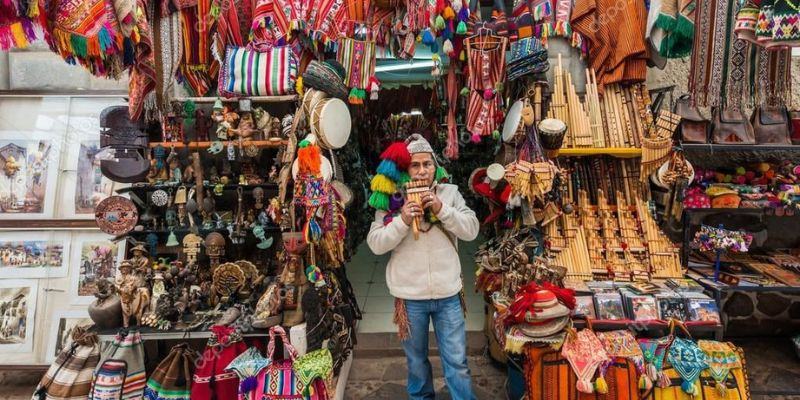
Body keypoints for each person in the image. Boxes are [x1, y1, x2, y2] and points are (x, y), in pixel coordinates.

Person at [367, 134, 480, 400]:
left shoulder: (450, 194)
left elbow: (472, 230)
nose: (421, 171)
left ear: (435, 167)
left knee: (457, 363)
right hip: (410, 297)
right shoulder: (391, 199)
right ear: (406, 170)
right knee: (416, 364)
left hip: (448, 295)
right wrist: (403, 219)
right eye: (414, 166)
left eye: (426, 165)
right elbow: (376, 244)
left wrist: (442, 210)